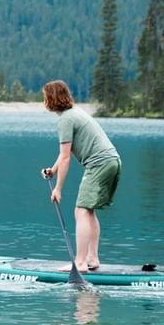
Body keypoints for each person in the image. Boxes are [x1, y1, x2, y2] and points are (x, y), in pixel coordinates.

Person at [39, 79, 120, 272]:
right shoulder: (75, 114)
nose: (44, 101)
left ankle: (81, 263)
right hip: (112, 161)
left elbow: (66, 157)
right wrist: (53, 169)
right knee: (88, 210)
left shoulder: (66, 119)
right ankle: (92, 259)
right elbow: (63, 155)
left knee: (81, 210)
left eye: (45, 97)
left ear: (51, 99)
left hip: (99, 164)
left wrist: (58, 189)